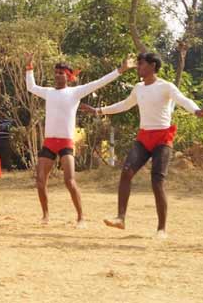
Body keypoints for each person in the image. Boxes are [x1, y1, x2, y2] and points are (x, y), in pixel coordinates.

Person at [82, 52, 203, 238]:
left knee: (157, 182)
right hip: (144, 137)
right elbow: (124, 105)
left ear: (153, 65)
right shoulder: (139, 88)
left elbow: (182, 100)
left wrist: (197, 111)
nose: (138, 67)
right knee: (126, 172)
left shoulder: (166, 86)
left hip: (162, 139)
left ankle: (161, 228)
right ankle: (121, 218)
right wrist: (98, 111)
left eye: (141, 64)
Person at [25, 53, 134, 227]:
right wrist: (29, 67)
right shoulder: (49, 92)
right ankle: (45, 215)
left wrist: (121, 70)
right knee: (40, 180)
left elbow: (99, 82)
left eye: (61, 73)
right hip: (49, 142)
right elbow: (31, 87)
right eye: (56, 72)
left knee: (69, 180)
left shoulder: (75, 92)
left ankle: (81, 217)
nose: (57, 75)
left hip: (66, 142)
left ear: (68, 76)